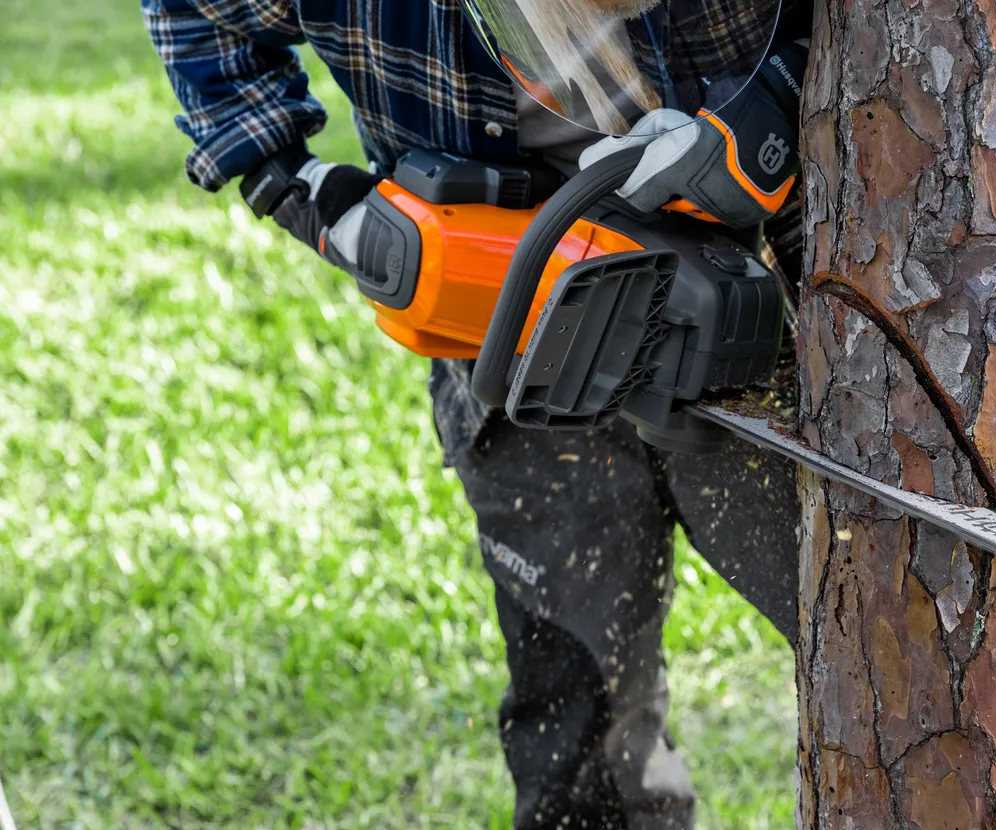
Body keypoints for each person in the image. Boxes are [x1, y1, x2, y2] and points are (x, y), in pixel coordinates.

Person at [143, 0, 810, 826]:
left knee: (881, 643)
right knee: (578, 720)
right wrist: (298, 189)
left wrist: (775, 103)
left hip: (770, 318)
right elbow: (196, 15)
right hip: (516, 343)